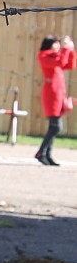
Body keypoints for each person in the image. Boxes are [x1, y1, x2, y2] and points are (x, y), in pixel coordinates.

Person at [35, 34, 75, 165]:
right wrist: (66, 49)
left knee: (54, 126)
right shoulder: (44, 56)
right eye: (55, 43)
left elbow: (69, 65)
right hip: (51, 93)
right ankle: (41, 152)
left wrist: (71, 49)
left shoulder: (55, 56)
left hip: (59, 93)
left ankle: (47, 154)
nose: (57, 46)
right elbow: (61, 62)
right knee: (56, 126)